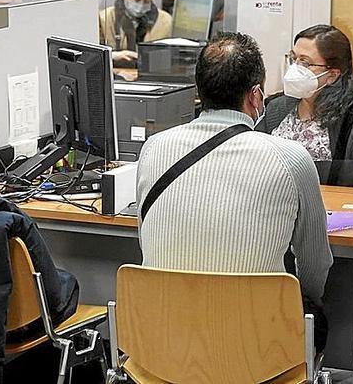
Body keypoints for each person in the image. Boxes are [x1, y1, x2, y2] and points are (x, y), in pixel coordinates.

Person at [136, 32, 333, 355]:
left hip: (164, 348)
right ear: (256, 96)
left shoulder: (154, 148)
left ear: (199, 91)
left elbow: (146, 244)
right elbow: (315, 265)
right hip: (257, 352)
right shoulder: (290, 157)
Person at [257, 25, 353, 187]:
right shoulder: (275, 108)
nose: (295, 68)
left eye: (305, 62)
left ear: (332, 75)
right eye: (294, 59)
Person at [98, 0, 172, 67]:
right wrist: (112, 56)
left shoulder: (165, 21)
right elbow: (95, 58)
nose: (141, 5)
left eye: (146, 1)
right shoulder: (104, 19)